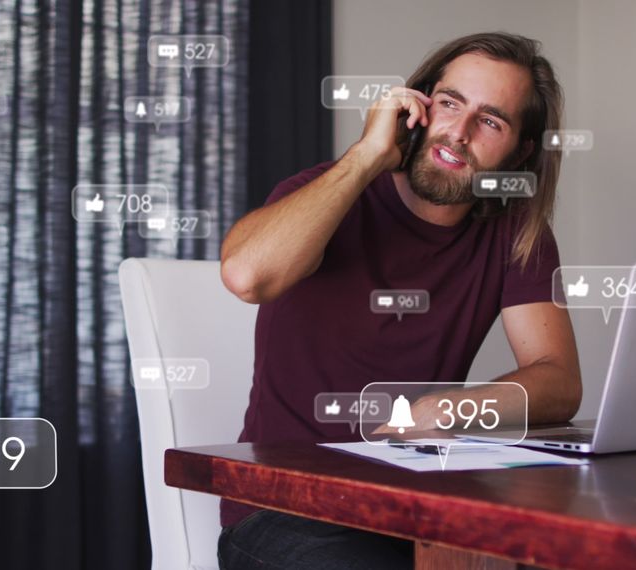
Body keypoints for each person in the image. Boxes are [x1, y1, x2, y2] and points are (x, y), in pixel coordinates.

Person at [216, 31, 581, 569]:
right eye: (450, 104)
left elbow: (558, 380)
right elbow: (246, 277)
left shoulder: (516, 232)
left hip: (416, 506)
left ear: (520, 151)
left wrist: (445, 409)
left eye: (490, 121)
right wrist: (367, 154)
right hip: (284, 509)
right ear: (418, 106)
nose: (458, 133)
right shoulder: (326, 194)